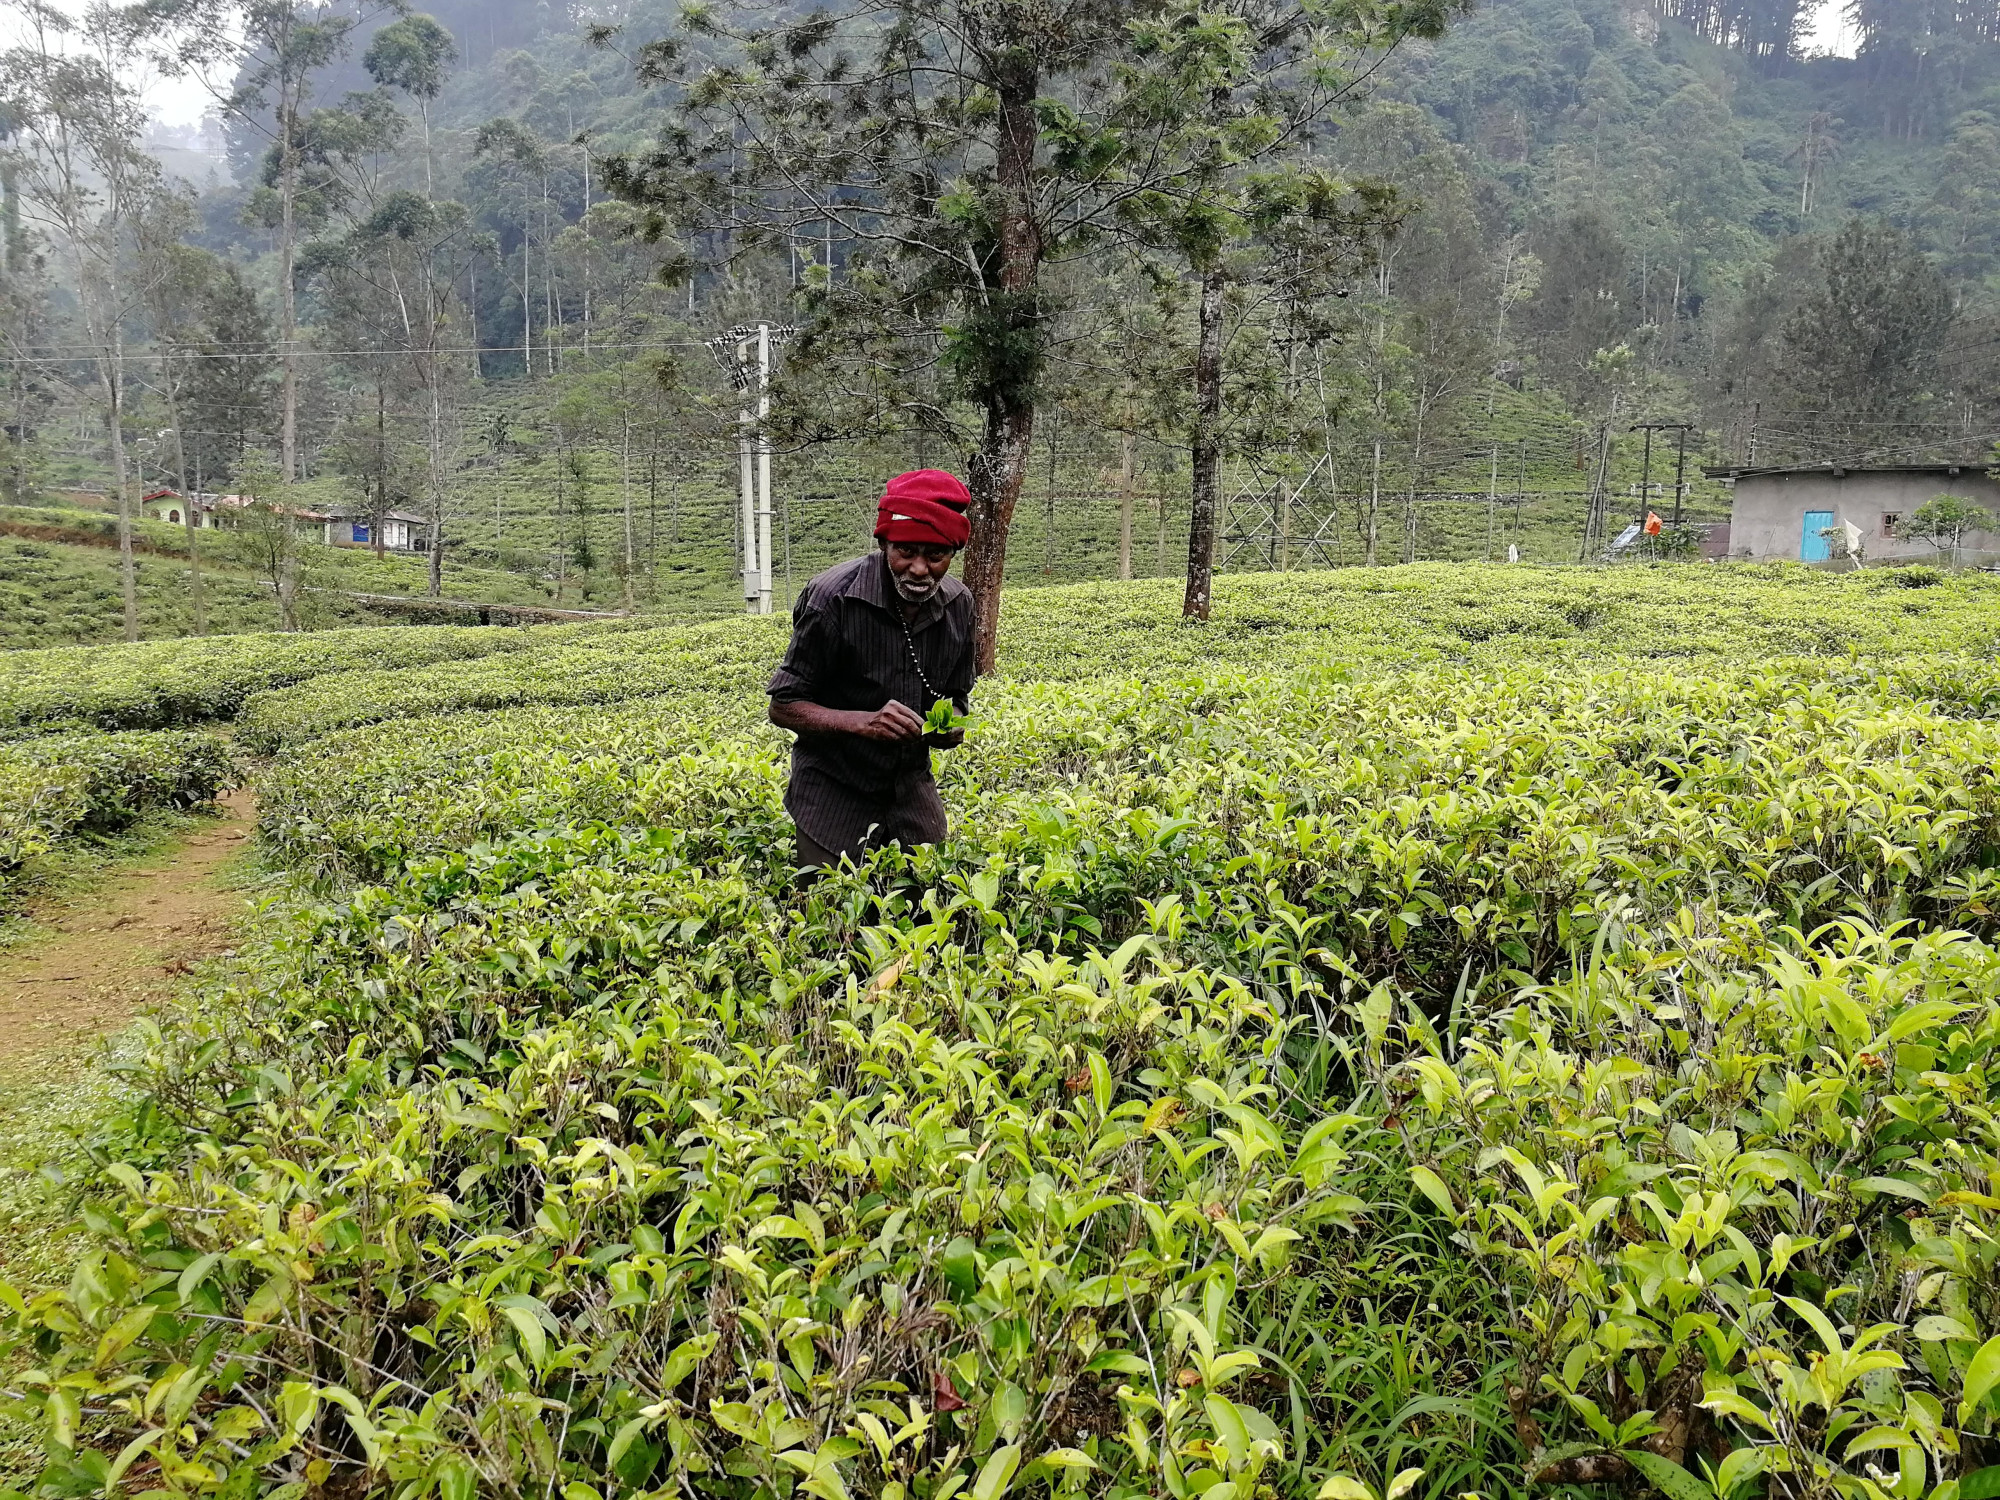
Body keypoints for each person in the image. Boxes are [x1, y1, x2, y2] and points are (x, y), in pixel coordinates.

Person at [767, 468, 978, 869]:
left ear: (953, 553)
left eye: (936, 556)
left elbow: (957, 697)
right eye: (906, 552)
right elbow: (784, 705)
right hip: (833, 789)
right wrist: (863, 723)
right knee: (831, 911)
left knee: (929, 904)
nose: (919, 569)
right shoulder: (832, 598)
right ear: (883, 542)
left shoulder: (959, 604)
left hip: (909, 786)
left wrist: (946, 724)